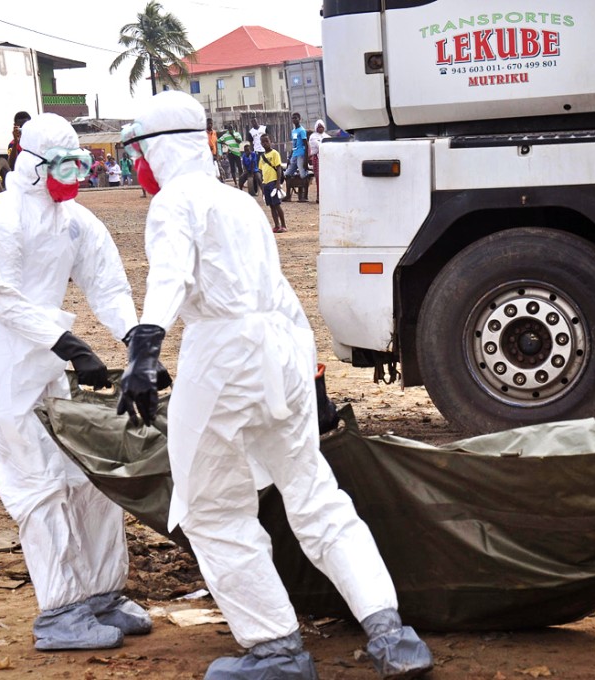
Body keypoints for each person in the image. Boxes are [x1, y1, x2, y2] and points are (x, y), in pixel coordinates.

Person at [116, 90, 433, 680]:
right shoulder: (238, 203)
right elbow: (282, 295)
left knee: (213, 510)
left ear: (155, 150)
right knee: (314, 493)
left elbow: (170, 276)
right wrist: (310, 378)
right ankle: (392, 634)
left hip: (224, 357)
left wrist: (144, 346)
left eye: (138, 150)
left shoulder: (174, 204)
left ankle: (277, 651)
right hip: (280, 353)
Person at [0, 113, 163, 652]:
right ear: (32, 164)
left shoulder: (77, 221)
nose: (72, 174)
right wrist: (73, 346)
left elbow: (107, 286)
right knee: (38, 485)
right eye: (61, 164)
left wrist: (137, 345)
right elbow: (0, 296)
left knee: (88, 476)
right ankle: (60, 613)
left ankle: (103, 594)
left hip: (46, 367)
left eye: (78, 162)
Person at [258, 133, 287, 233]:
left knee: (277, 205)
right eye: (263, 142)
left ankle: (283, 225)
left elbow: (278, 168)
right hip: (266, 183)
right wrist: (262, 186)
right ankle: (276, 225)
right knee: (271, 205)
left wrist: (278, 183)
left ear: (270, 141)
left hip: (273, 183)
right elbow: (261, 171)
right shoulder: (262, 157)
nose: (265, 143)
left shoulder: (275, 153)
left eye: (267, 141)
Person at [283, 113, 309, 201]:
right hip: (294, 155)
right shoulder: (293, 131)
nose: (294, 120)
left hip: (301, 154)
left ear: (299, 119)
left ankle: (305, 197)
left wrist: (306, 159)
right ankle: (288, 196)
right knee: (287, 174)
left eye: (296, 118)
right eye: (293, 118)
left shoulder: (302, 131)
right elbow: (294, 144)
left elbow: (306, 145)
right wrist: (289, 157)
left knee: (303, 174)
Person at [307, 119, 329, 204]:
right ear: (316, 128)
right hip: (317, 159)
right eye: (319, 127)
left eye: (322, 127)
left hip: (326, 159)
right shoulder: (313, 136)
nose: (320, 128)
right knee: (319, 178)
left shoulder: (326, 136)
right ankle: (319, 197)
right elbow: (319, 146)